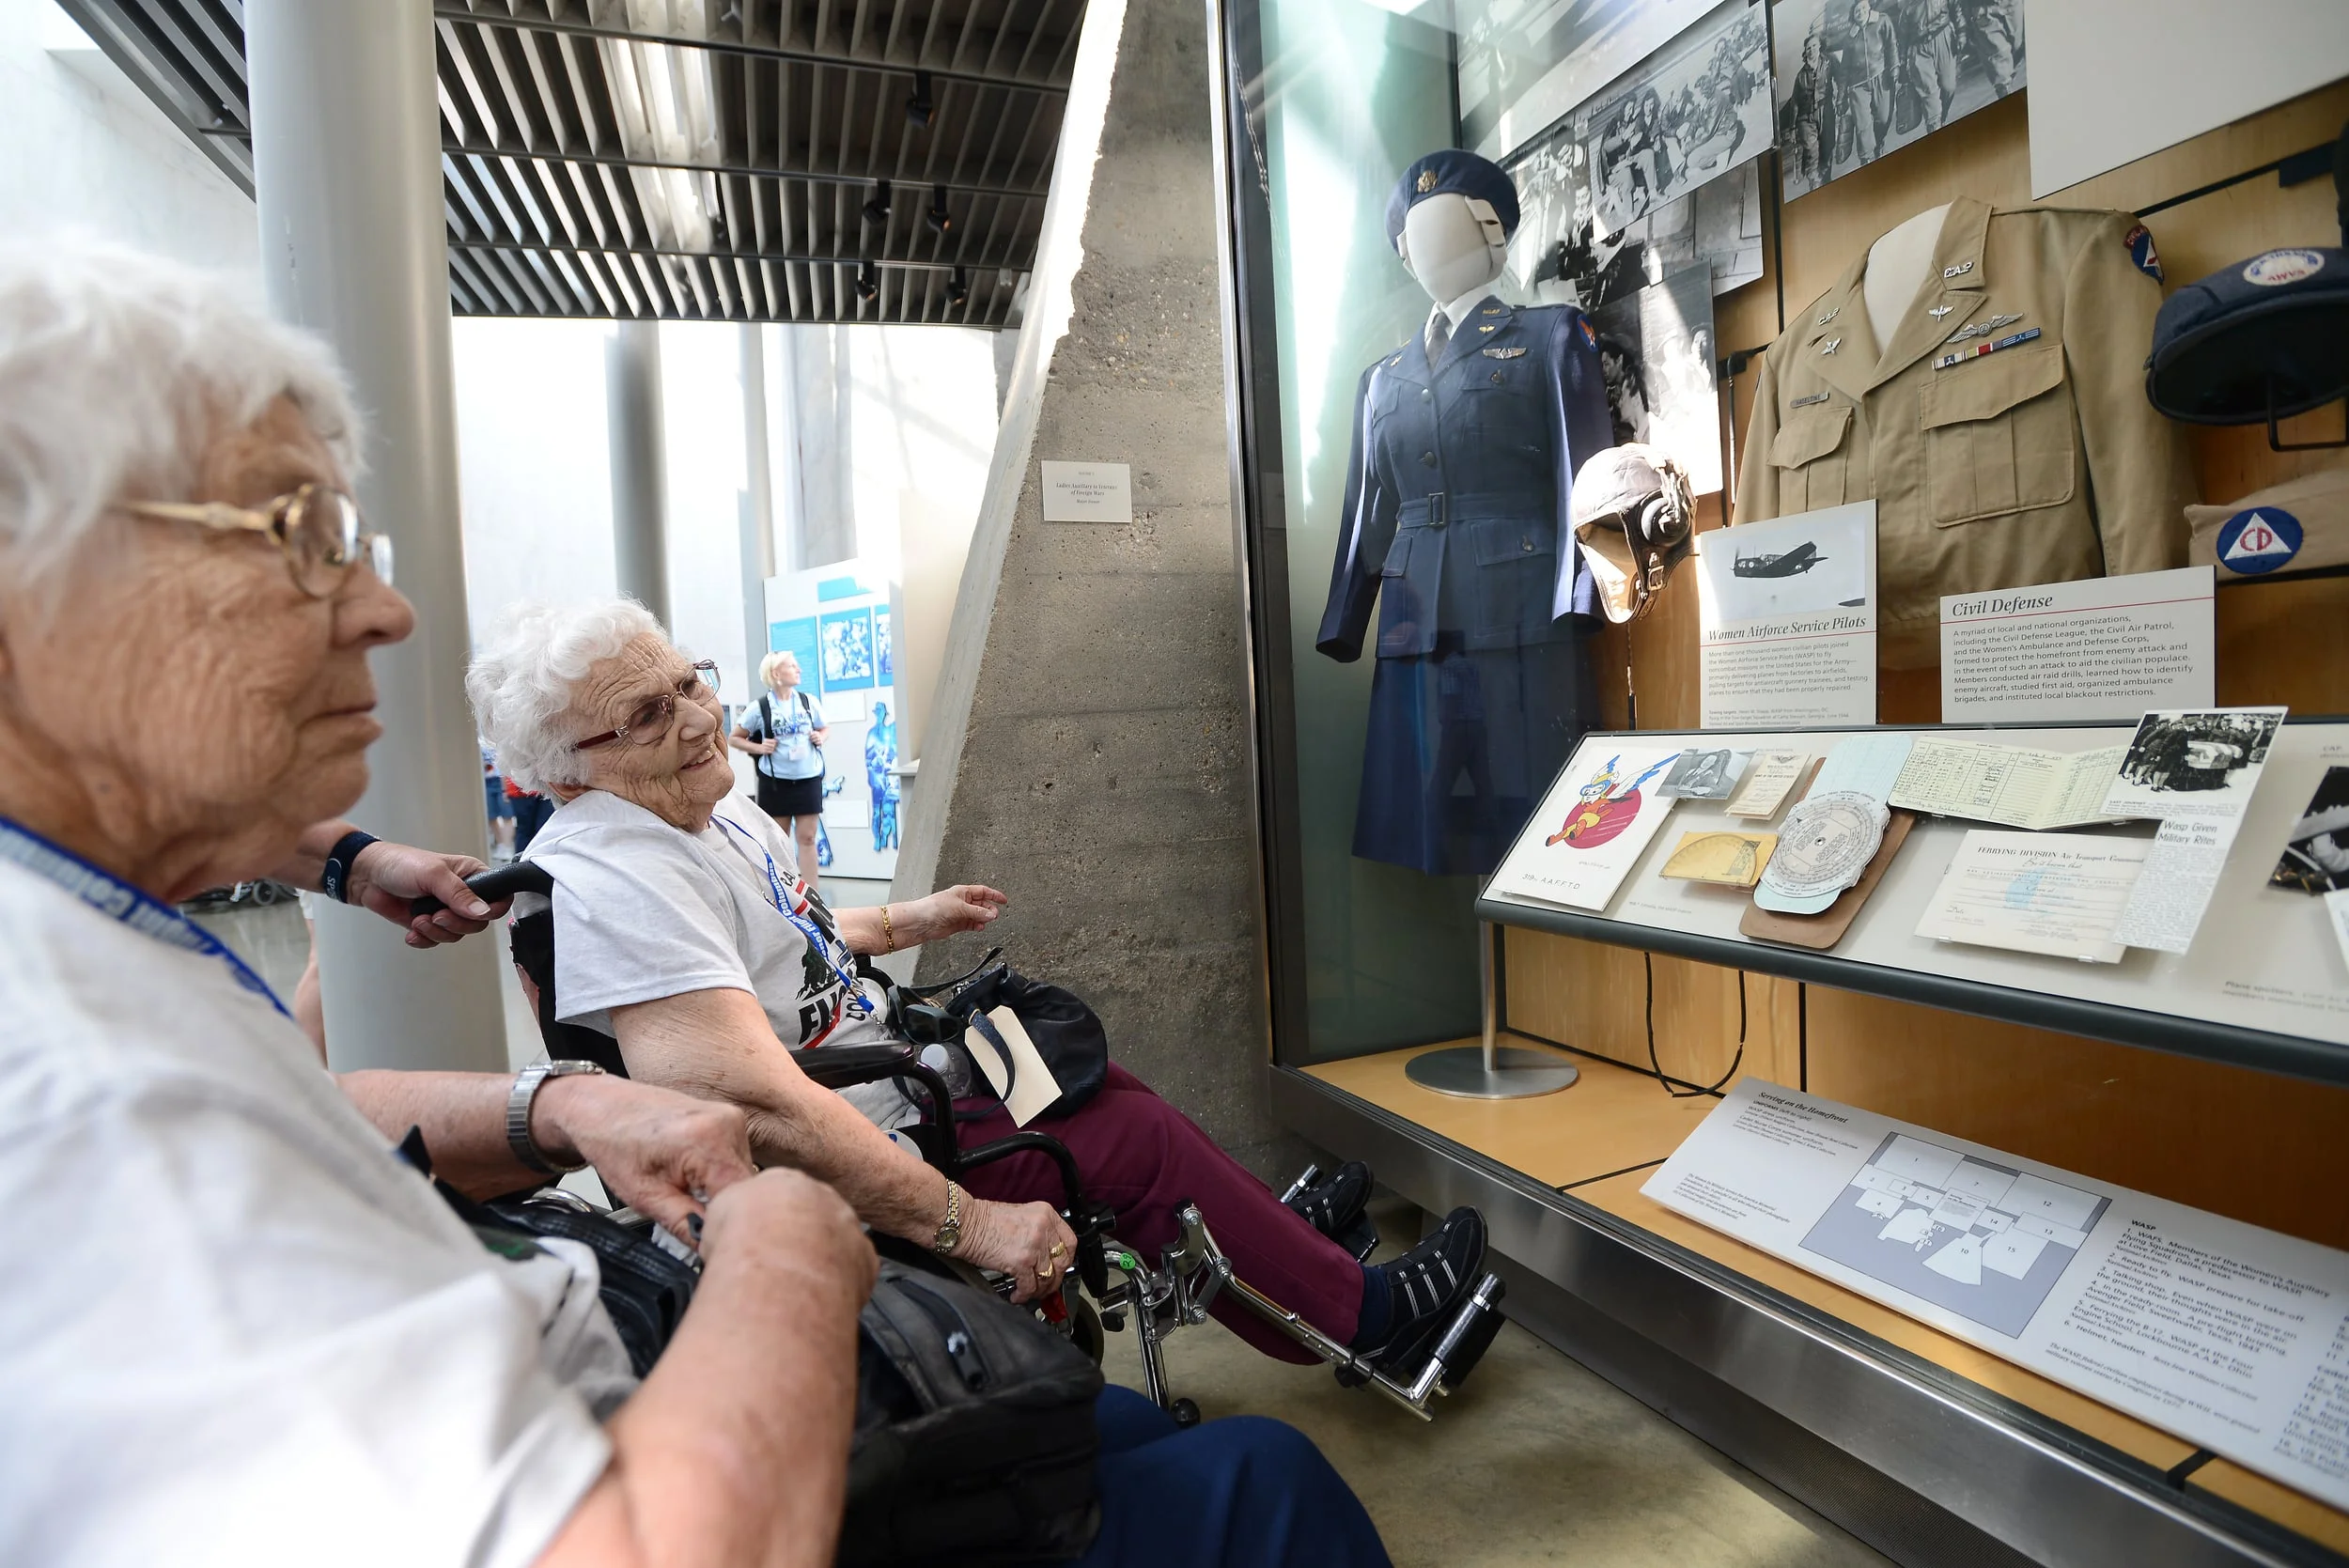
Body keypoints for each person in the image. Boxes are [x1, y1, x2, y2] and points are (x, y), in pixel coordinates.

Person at [0, 241, 1393, 1568]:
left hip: (638, 1301)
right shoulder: (80, 1098)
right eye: (301, 533)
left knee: (1102, 1180)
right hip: (699, 1331)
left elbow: (300, 1116)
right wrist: (792, 1248)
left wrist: (550, 1104)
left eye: (688, 683)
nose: (382, 610)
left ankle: (1305, 1265)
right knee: (1253, 1467)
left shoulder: (100, 949)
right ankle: (1355, 1306)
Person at [470, 598, 1493, 1378]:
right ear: (565, 773)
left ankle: (1282, 1252)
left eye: (689, 680)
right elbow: (741, 1099)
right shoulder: (613, 869)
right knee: (1127, 1146)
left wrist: (909, 920)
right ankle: (1367, 1324)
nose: (698, 717)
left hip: (896, 1071)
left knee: (1095, 1078)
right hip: (857, 1136)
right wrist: (966, 1221)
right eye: (649, 713)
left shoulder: (701, 805)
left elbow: (790, 938)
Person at [731, 649, 828, 885]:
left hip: (808, 778)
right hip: (775, 782)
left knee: (807, 838)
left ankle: (813, 896)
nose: (798, 670)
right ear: (776, 673)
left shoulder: (807, 702)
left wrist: (820, 737)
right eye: (792, 666)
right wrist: (760, 747)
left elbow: (824, 728)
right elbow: (735, 738)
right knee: (778, 841)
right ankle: (787, 893)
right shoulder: (760, 707)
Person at [485, 737, 517, 860]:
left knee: (507, 814)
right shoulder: (478, 741)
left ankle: (507, 846)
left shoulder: (501, 738)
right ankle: (501, 845)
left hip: (501, 779)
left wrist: (505, 788)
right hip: (486, 780)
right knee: (491, 815)